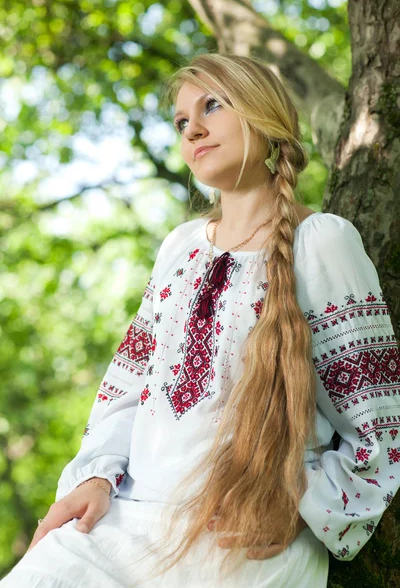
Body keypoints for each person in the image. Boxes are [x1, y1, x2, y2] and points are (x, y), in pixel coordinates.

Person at [1, 53, 399, 588]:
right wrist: (96, 474)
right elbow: (130, 386)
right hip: (124, 518)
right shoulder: (180, 248)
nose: (194, 129)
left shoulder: (321, 242)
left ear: (265, 117)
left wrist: (298, 501)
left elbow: (378, 425)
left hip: (239, 539)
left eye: (213, 105)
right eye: (182, 121)